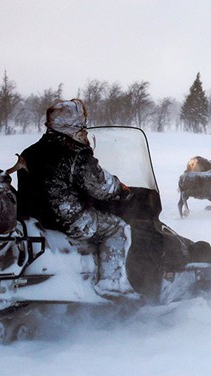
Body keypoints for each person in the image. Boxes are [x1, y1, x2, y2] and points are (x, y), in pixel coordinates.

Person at [17, 98, 136, 298]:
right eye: (82, 124)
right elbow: (101, 186)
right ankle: (112, 284)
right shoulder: (75, 155)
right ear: (74, 125)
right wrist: (121, 189)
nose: (85, 129)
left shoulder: (30, 152)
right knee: (118, 228)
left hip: (35, 219)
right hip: (69, 219)